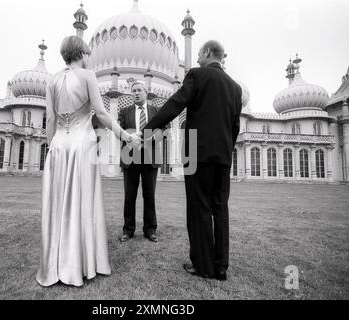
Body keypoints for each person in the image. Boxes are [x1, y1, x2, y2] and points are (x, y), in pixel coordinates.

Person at [36, 36, 140, 287]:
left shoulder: (52, 80)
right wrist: (125, 135)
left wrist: (52, 147)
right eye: (87, 51)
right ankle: (80, 264)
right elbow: (102, 113)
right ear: (81, 52)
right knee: (81, 202)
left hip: (59, 146)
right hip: (82, 145)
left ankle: (57, 263)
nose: (89, 55)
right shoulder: (87, 76)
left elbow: (50, 119)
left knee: (59, 203)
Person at [143, 40, 242, 281]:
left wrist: (150, 125)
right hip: (223, 156)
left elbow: (177, 103)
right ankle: (220, 267)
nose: (197, 58)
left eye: (199, 53)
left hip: (196, 153)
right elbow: (235, 126)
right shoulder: (235, 88)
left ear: (207, 52)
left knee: (199, 208)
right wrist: (227, 149)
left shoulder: (197, 75)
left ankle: (203, 264)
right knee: (220, 208)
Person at [117, 82, 165, 243]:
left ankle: (150, 230)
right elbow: (119, 132)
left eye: (139, 90)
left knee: (149, 196)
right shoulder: (124, 112)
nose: (136, 93)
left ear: (146, 92)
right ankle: (128, 230)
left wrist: (153, 137)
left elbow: (163, 130)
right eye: (134, 91)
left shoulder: (156, 111)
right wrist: (130, 137)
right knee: (129, 196)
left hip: (150, 158)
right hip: (130, 158)